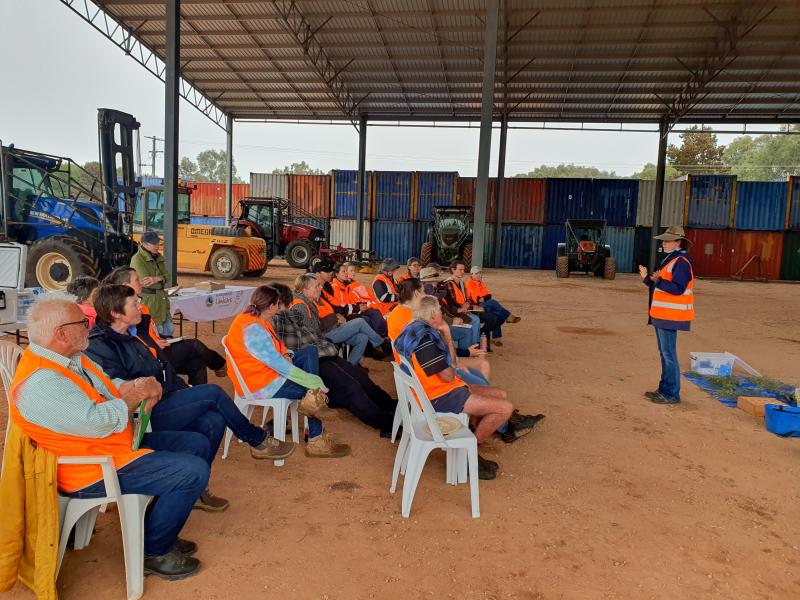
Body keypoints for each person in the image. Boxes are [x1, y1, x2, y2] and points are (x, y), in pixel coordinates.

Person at [9, 293, 208, 579]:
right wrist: (137, 394)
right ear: (62, 333)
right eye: (83, 321)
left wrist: (136, 384)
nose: (89, 325)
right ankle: (154, 551)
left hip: (112, 448)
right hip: (90, 469)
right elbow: (98, 421)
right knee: (193, 471)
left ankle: (155, 529)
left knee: (196, 443)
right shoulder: (42, 382)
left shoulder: (69, 358)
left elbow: (106, 385)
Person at [86, 284, 296, 512]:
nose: (140, 306)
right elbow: (119, 390)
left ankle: (197, 486)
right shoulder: (100, 345)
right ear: (115, 313)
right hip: (140, 415)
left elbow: (163, 369)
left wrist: (182, 388)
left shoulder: (134, 334)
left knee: (213, 421)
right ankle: (256, 439)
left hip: (165, 399)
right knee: (213, 393)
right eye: (134, 304)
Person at [394, 296, 514, 480]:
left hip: (439, 389)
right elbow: (449, 374)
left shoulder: (413, 329)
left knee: (501, 394)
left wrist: (446, 333)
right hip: (438, 396)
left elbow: (452, 365)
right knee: (505, 408)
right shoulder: (425, 341)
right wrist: (448, 340)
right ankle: (469, 451)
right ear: (434, 315)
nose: (442, 313)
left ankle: (470, 443)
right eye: (440, 311)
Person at [226, 285, 351, 458]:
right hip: (262, 383)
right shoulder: (253, 329)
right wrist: (312, 382)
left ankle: (315, 428)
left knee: (310, 352)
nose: (279, 307)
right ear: (271, 307)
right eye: (278, 304)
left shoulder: (257, 317)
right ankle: (316, 439)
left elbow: (278, 346)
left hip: (268, 372)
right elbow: (279, 366)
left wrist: (286, 353)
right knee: (311, 393)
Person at [273, 280, 397, 436]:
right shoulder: (276, 319)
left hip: (324, 352)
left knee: (360, 377)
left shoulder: (290, 313)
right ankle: (385, 423)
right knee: (350, 387)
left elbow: (312, 332)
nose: (287, 306)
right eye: (284, 303)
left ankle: (391, 406)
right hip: (311, 361)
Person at [104, 266, 227, 385]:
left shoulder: (140, 305)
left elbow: (147, 332)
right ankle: (221, 365)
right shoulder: (126, 312)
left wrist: (165, 338)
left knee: (197, 363)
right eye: (137, 280)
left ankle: (200, 398)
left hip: (158, 346)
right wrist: (152, 344)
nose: (140, 282)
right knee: (194, 345)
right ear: (126, 286)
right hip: (153, 356)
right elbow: (132, 338)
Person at [388, 278, 490, 384]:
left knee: (481, 366)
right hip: (429, 370)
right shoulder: (416, 317)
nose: (425, 294)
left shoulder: (396, 312)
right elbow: (435, 350)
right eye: (423, 291)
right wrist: (462, 357)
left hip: (412, 365)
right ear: (417, 293)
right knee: (483, 371)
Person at [639, 225, 696, 405]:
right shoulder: (671, 259)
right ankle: (664, 390)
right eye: (664, 240)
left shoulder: (681, 262)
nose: (664, 243)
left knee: (668, 354)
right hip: (662, 315)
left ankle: (671, 394)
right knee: (665, 353)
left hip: (670, 317)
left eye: (667, 240)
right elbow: (659, 285)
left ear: (678, 242)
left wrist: (659, 280)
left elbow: (677, 289)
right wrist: (647, 279)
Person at [293, 271, 386, 365]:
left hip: (334, 328)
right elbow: (313, 330)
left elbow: (331, 310)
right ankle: (380, 342)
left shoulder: (314, 299)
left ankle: (350, 367)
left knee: (362, 338)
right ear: (305, 290)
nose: (320, 288)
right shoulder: (302, 305)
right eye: (317, 286)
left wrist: (336, 317)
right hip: (326, 335)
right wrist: (335, 319)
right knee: (360, 321)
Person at [420, 266, 480, 351]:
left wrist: (454, 317)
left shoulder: (430, 291)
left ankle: (467, 353)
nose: (437, 282)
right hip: (434, 328)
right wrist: (452, 320)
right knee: (467, 330)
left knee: (469, 323)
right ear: (430, 281)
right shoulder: (429, 294)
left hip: (440, 322)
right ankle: (466, 355)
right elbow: (433, 316)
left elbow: (444, 308)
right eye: (436, 280)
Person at [443, 260, 502, 345]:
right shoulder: (448, 284)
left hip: (466, 309)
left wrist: (468, 304)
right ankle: (474, 344)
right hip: (455, 311)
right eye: (460, 270)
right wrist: (467, 307)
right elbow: (451, 302)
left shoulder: (462, 284)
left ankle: (477, 342)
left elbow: (468, 298)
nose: (463, 272)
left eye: (463, 270)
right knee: (475, 320)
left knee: (493, 314)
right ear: (453, 270)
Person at [324, 261, 388, 338]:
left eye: (346, 271)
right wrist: (357, 308)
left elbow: (352, 299)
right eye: (344, 271)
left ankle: (383, 335)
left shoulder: (346, 286)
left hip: (354, 310)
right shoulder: (335, 287)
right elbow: (340, 305)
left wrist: (359, 305)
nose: (346, 274)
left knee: (374, 312)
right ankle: (377, 340)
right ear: (337, 274)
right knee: (366, 319)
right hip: (347, 314)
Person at [130, 231, 173, 337]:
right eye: (154, 244)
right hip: (149, 302)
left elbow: (168, 276)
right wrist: (161, 279)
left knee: (168, 333)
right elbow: (146, 282)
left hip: (161, 301)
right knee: (153, 335)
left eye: (158, 243)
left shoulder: (158, 257)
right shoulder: (137, 259)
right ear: (144, 244)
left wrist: (157, 278)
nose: (157, 246)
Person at [465, 266, 521, 346]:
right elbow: (475, 300)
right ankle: (509, 317)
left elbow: (489, 295)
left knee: (498, 314)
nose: (479, 275)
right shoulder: (468, 284)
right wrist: (483, 298)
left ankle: (496, 339)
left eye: (480, 273)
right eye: (476, 273)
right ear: (472, 274)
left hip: (485, 304)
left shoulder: (481, 284)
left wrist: (483, 298)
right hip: (475, 306)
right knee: (493, 303)